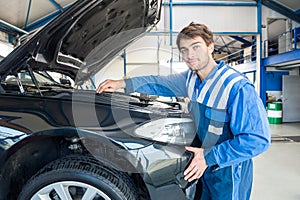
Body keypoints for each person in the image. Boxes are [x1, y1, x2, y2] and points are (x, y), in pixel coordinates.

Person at [96, 22, 271, 200]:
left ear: (211, 47)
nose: (189, 55)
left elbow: (257, 139)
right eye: (184, 50)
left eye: (196, 47)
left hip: (229, 170)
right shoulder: (190, 79)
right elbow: (158, 82)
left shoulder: (237, 87)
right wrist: (122, 83)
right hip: (202, 164)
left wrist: (209, 157)